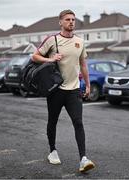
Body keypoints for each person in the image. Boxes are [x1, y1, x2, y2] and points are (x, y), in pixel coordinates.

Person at [32, 9, 95, 173]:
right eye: (67, 19)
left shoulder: (80, 42)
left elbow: (83, 64)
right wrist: (50, 59)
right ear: (60, 22)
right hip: (55, 90)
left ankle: (83, 159)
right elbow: (35, 57)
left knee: (78, 122)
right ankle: (52, 151)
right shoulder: (52, 40)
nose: (71, 22)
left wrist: (87, 85)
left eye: (73, 19)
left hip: (74, 90)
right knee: (52, 121)